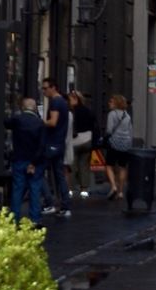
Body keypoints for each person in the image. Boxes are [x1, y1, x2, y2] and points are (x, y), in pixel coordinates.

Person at [8, 96, 46, 227]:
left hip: (19, 159)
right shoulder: (40, 123)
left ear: (22, 107)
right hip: (35, 162)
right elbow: (42, 146)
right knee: (35, 189)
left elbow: (5, 122)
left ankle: (14, 218)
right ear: (35, 108)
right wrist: (34, 163)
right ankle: (35, 219)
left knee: (18, 189)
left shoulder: (18, 120)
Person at [41, 79, 71, 218]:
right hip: (60, 143)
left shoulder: (55, 102)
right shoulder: (63, 103)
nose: (44, 91)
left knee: (38, 172)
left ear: (54, 88)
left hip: (52, 143)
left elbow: (53, 122)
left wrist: (40, 123)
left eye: (46, 88)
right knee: (59, 175)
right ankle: (65, 206)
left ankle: (49, 203)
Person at [104, 93, 134, 201]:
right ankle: (121, 192)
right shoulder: (127, 115)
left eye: (111, 101)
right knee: (123, 167)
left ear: (116, 103)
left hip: (114, 143)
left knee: (109, 165)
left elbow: (109, 130)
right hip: (125, 144)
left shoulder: (111, 114)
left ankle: (113, 186)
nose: (109, 103)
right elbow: (130, 131)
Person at [68, 88, 95, 197]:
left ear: (75, 99)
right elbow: (94, 125)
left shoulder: (72, 112)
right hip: (87, 139)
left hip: (75, 141)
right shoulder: (88, 110)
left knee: (72, 165)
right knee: (84, 165)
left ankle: (70, 188)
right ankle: (84, 189)